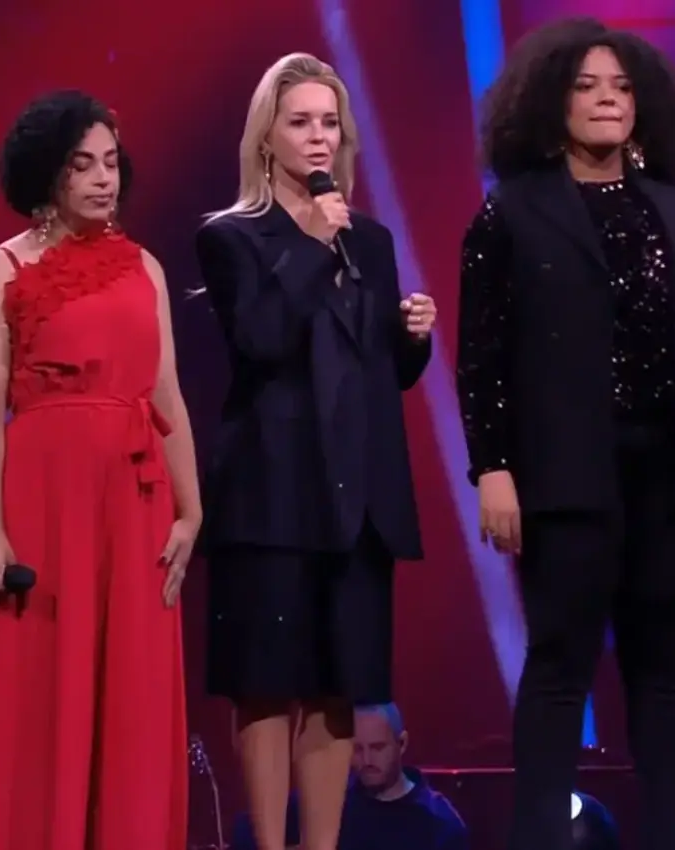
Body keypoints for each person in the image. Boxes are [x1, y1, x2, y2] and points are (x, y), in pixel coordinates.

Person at [456, 18, 675, 850]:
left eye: (622, 87)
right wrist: (493, 468)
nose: (607, 101)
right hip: (562, 476)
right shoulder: (511, 213)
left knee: (663, 676)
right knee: (559, 669)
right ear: (552, 101)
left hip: (666, 474)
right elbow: (481, 359)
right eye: (588, 86)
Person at [195, 52, 435, 850]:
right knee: (267, 687)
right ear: (267, 137)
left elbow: (378, 372)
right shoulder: (231, 237)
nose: (318, 137)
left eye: (329, 122)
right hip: (271, 495)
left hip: (356, 497)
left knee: (340, 688)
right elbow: (260, 339)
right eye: (300, 122)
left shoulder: (370, 240)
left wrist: (412, 339)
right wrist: (307, 244)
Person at [0, 90, 201, 850]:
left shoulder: (145, 267)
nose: (102, 179)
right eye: (82, 165)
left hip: (136, 501)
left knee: (133, 693)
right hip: (45, 503)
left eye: (110, 164)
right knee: (36, 689)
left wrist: (191, 510)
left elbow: (167, 396)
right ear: (46, 172)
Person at [228, 704, 470, 850]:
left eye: (377, 748)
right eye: (357, 749)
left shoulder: (439, 825)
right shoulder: (331, 801)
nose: (367, 760)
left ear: (402, 743)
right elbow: (245, 833)